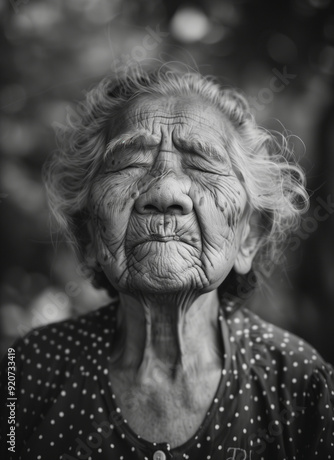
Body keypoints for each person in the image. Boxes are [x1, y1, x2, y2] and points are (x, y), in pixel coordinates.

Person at [0, 67, 333, 460]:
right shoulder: (26, 372)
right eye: (129, 163)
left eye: (203, 165)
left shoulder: (299, 383)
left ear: (249, 236)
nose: (164, 190)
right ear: (88, 233)